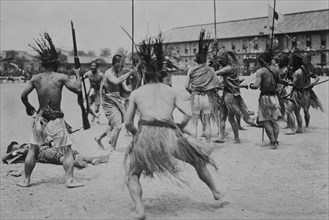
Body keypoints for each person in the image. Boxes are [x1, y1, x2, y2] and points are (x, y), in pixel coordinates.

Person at [124, 34, 224, 220]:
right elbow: (187, 113)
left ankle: (139, 209)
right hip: (169, 136)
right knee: (198, 161)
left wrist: (138, 136)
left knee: (132, 174)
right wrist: (177, 126)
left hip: (146, 138)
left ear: (143, 74)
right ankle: (216, 191)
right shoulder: (170, 91)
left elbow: (128, 123)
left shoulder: (137, 93)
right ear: (160, 73)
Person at [18, 33, 84, 188]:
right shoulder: (60, 77)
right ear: (55, 63)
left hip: (40, 119)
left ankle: (26, 180)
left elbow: (23, 95)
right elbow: (78, 88)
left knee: (33, 149)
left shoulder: (36, 78)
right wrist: (78, 75)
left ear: (43, 64)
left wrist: (28, 106)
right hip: (55, 119)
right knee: (67, 151)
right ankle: (70, 180)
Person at [94, 55, 139, 151]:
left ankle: (99, 138)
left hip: (116, 100)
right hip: (108, 102)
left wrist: (134, 81)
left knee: (112, 124)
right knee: (118, 126)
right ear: (116, 63)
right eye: (122, 63)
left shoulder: (117, 73)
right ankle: (112, 148)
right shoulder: (109, 73)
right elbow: (115, 82)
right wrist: (129, 73)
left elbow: (124, 89)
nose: (123, 65)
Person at [185, 30, 221, 143]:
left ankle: (195, 144)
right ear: (205, 59)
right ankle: (208, 144)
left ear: (196, 60)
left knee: (194, 122)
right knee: (208, 121)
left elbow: (186, 86)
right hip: (207, 97)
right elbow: (217, 85)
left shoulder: (191, 70)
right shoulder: (210, 70)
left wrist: (192, 91)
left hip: (195, 96)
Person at [249, 49, 287, 149]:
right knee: (274, 121)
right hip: (274, 98)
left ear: (262, 61)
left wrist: (251, 86)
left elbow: (256, 86)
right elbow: (280, 83)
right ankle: (276, 140)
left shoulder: (260, 71)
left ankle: (273, 142)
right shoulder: (275, 71)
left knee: (266, 121)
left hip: (265, 98)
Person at [215, 50, 255, 143]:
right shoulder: (233, 67)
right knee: (222, 116)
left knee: (230, 118)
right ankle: (221, 137)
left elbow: (215, 73)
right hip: (227, 94)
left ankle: (237, 138)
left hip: (230, 96)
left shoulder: (228, 68)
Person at [285, 53, 323, 134]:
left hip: (297, 93)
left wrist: (287, 83)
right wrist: (312, 84)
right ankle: (305, 126)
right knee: (306, 111)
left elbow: (294, 84)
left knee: (291, 111)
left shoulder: (297, 72)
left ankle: (294, 128)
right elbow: (317, 77)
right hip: (307, 93)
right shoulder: (306, 71)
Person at [2, 141, 109, 169]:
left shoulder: (26, 145)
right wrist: (15, 152)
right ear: (12, 149)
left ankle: (93, 159)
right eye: (14, 146)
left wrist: (46, 142)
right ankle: (77, 163)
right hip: (43, 153)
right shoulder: (22, 150)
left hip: (48, 149)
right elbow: (5, 158)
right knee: (59, 157)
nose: (17, 146)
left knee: (70, 151)